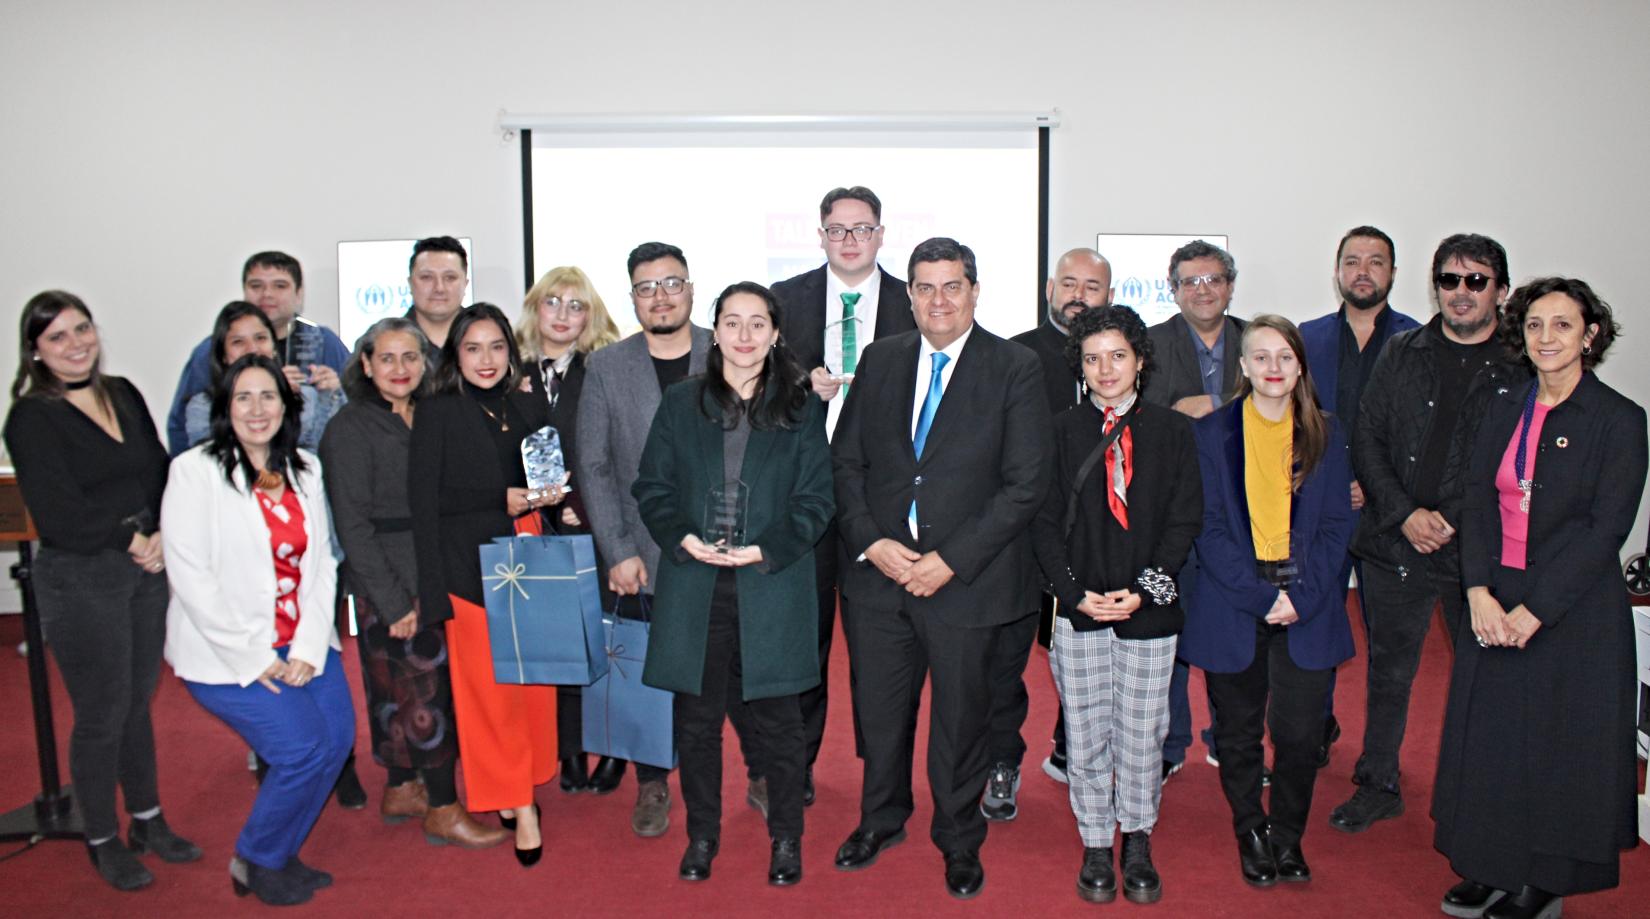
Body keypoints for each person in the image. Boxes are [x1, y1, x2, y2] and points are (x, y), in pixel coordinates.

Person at [831, 237, 1051, 899]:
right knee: (880, 712)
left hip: (968, 582)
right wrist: (873, 542)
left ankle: (959, 837)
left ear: (975, 290)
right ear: (909, 294)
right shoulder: (881, 359)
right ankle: (882, 817)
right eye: (924, 287)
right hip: (880, 579)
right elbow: (846, 462)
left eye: (951, 285)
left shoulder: (1016, 366)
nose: (938, 300)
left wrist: (949, 560)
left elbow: (1026, 483)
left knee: (962, 719)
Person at [1434, 277, 1646, 919]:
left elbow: (1605, 528)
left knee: (1558, 747)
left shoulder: (1619, 419)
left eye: (1562, 325)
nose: (1546, 337)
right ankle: (1489, 862)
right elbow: (1477, 499)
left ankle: (1546, 877)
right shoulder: (1504, 407)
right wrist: (1477, 590)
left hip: (1572, 606)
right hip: (1496, 592)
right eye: (1533, 326)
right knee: (1490, 741)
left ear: (1590, 335)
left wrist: (1536, 610)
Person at [633, 281, 833, 885]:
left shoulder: (800, 409)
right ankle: (702, 836)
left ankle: (787, 841)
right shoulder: (681, 404)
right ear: (714, 331)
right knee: (696, 724)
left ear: (774, 335)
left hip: (771, 584)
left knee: (778, 722)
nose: (744, 336)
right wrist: (683, 539)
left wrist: (764, 548)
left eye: (757, 324)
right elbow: (653, 488)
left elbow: (817, 501)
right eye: (732, 322)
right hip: (696, 584)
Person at [3, 291, 200, 892]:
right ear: (35, 350)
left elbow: (161, 469)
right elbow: (59, 512)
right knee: (100, 714)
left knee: (137, 703)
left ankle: (147, 820)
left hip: (144, 570)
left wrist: (164, 529)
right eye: (57, 337)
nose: (75, 344)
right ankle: (100, 837)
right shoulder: (31, 417)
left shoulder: (122, 394)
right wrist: (133, 538)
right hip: (83, 578)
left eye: (81, 329)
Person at [1331, 233, 1525, 835]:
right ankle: (1378, 782)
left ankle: (1476, 792)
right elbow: (1368, 438)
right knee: (1389, 672)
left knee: (1482, 676)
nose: (1461, 293)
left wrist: (1455, 521)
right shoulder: (1401, 351)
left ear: (1501, 290)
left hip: (1480, 555)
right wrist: (1404, 512)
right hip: (1396, 543)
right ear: (1434, 284)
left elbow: (1521, 460)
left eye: (1476, 281)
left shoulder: (1520, 366)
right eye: (1449, 280)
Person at [577, 242, 764, 836]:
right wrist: (617, 549)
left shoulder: (730, 346)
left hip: (729, 553)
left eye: (671, 283)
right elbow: (596, 466)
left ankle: (761, 772)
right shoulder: (607, 367)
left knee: (739, 673)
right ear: (631, 297)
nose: (660, 296)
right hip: (645, 556)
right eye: (646, 287)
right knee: (653, 677)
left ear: (689, 288)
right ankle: (652, 782)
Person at [161, 353, 352, 906]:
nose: (257, 408)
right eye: (242, 397)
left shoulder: (305, 469)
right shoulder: (194, 471)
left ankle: (281, 851)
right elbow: (191, 576)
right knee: (301, 750)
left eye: (268, 395)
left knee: (336, 741)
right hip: (227, 652)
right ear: (224, 406)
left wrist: (311, 647)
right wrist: (255, 656)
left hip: (303, 637)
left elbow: (322, 564)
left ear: (287, 404)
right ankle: (257, 857)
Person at [1029, 305, 1201, 904]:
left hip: (1148, 608)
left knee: (1142, 729)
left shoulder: (1174, 432)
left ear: (1140, 361)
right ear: (1080, 366)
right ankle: (1097, 840)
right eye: (1092, 358)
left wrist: (1147, 586)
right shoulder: (1056, 431)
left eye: (1118, 356)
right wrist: (1074, 595)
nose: (1106, 369)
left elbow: (1185, 520)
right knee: (1086, 725)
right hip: (1079, 607)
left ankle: (1138, 836)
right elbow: (1043, 523)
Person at [1178, 315, 1355, 888]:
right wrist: (1262, 597)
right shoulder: (1211, 434)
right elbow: (1207, 530)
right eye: (1260, 357)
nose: (1273, 368)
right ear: (1244, 366)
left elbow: (1335, 526)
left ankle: (1288, 836)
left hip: (1310, 599)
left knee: (1301, 734)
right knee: (1236, 732)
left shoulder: (1328, 431)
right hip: (1236, 600)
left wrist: (1298, 598)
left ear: (1300, 364)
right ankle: (1251, 831)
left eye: (1284, 356)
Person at [318, 318, 508, 848]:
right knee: (422, 692)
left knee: (394, 686)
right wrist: (391, 597)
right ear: (365, 364)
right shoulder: (349, 428)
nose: (400, 369)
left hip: (433, 564)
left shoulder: (428, 414)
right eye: (387, 358)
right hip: (390, 576)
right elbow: (351, 524)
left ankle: (402, 787)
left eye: (410, 357)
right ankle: (444, 807)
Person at [771, 185, 915, 804]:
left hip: (881, 500)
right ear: (821, 235)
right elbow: (756, 388)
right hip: (803, 494)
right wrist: (802, 387)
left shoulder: (916, 304)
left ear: (882, 234)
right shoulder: (785, 299)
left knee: (877, 647)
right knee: (805, 638)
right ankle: (796, 763)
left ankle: (880, 768)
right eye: (838, 230)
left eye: (862, 229)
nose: (850, 240)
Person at [408, 303, 558, 866]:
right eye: (473, 348)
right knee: (490, 700)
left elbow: (544, 478)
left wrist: (550, 498)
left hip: (530, 561)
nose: (487, 359)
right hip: (467, 574)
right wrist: (434, 593)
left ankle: (529, 777)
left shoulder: (527, 404)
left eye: (497, 346)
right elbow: (426, 504)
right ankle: (518, 805)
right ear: (455, 356)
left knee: (533, 689)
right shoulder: (438, 412)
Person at [1298, 225, 1420, 770]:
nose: (1362, 271)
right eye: (1352, 261)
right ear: (1337, 272)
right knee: (1313, 624)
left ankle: (1379, 760)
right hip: (1320, 510)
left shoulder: (1420, 341)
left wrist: (1373, 486)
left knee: (1388, 644)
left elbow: (1421, 434)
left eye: (1375, 261)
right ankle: (1314, 729)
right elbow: (1294, 420)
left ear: (1393, 273)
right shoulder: (1308, 337)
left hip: (1387, 513)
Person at [1007, 246, 1114, 799]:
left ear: (1109, 296)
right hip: (1024, 532)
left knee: (1087, 645)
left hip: (1098, 535)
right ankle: (1003, 757)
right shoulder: (1014, 355)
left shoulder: (1123, 360)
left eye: (1091, 287)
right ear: (1050, 290)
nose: (1078, 296)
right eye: (1068, 284)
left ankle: (1076, 745)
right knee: (1013, 650)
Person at [513, 265, 621, 793]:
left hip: (595, 526)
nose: (563, 315)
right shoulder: (508, 370)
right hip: (533, 528)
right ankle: (570, 749)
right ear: (536, 307)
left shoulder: (605, 368)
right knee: (557, 644)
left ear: (591, 316)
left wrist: (582, 503)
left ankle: (618, 751)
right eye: (553, 302)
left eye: (576, 306)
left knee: (608, 640)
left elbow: (617, 447)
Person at [1144, 240, 1247, 778]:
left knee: (1236, 632)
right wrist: (1176, 411)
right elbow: (1132, 419)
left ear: (1230, 286)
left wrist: (1222, 408)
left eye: (1212, 279)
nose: (1202, 290)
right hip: (1171, 516)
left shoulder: (1259, 340)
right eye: (1190, 281)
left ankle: (1230, 739)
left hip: (1241, 519)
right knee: (1168, 628)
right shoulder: (1151, 346)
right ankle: (1170, 743)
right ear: (1173, 289)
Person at [166, 251, 350, 456]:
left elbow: (355, 414)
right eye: (256, 286)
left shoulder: (323, 342)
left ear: (299, 294)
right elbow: (182, 426)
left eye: (280, 286)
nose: (267, 294)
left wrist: (335, 393)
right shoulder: (210, 350)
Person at [182, 302, 346, 451]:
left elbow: (322, 455)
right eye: (238, 342)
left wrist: (329, 396)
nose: (253, 349)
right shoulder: (202, 407)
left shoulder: (306, 396)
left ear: (274, 347)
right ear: (223, 354)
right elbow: (215, 461)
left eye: (261, 338)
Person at [406, 236, 469, 367]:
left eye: (450, 277)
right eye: (427, 277)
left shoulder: (491, 340)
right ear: (410, 284)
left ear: (465, 284)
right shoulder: (381, 341)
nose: (439, 288)